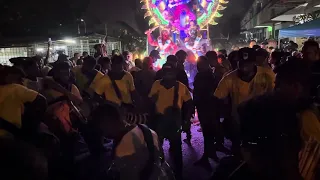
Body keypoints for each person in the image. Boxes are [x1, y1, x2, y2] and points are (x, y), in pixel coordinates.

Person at [238, 59, 310, 180]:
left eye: (278, 86)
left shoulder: (304, 116)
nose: (273, 90)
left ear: (296, 87)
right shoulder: (268, 108)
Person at [213, 47, 275, 157]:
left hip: (262, 121)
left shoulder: (267, 74)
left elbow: (274, 95)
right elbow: (218, 98)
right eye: (241, 63)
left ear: (254, 62)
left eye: (248, 63)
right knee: (239, 153)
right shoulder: (229, 78)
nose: (244, 67)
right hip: (239, 123)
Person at [91, 103, 162, 180]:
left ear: (107, 123)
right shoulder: (150, 131)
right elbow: (161, 159)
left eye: (102, 128)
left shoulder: (122, 150)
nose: (104, 133)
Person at [149, 60, 193, 180]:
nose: (168, 75)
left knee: (176, 148)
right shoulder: (156, 84)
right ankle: (159, 171)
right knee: (157, 148)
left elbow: (189, 103)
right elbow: (150, 101)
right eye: (165, 72)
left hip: (175, 121)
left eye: (170, 73)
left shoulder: (181, 87)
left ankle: (178, 173)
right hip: (160, 119)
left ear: (174, 73)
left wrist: (186, 120)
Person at [0, 66, 47, 139]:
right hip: (7, 136)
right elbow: (42, 101)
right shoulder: (14, 88)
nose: (22, 82)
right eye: (20, 79)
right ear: (9, 77)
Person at [193, 56, 221, 171]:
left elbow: (200, 92)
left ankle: (207, 156)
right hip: (208, 106)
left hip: (206, 107)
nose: (199, 66)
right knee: (209, 132)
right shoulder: (210, 74)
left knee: (208, 131)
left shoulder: (205, 76)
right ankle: (210, 154)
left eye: (201, 64)